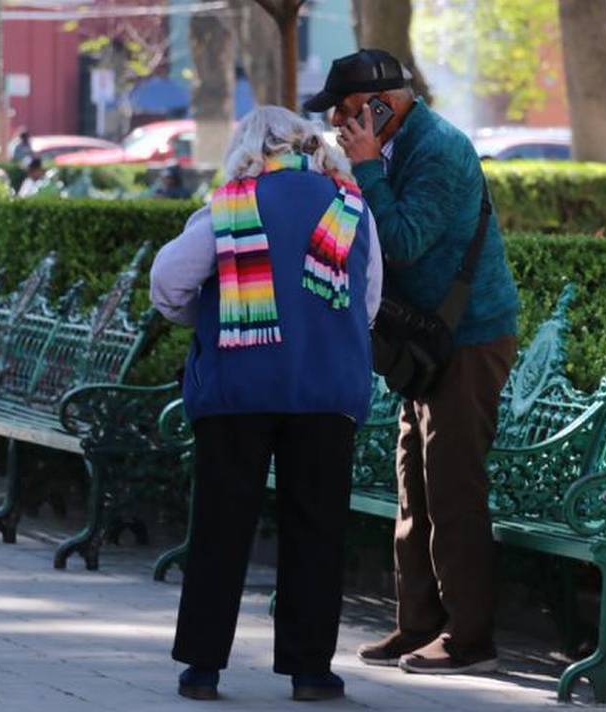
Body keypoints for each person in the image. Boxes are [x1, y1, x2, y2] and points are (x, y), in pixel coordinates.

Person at [150, 106, 383, 702]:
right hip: (326, 391)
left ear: (250, 147)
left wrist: (213, 315)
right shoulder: (351, 206)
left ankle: (202, 667)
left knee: (220, 527)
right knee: (317, 530)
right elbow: (368, 300)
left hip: (238, 388)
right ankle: (310, 672)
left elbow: (168, 283)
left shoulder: (230, 205)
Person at [305, 49, 519, 675]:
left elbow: (402, 241)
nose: (338, 122)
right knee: (414, 484)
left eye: (346, 109)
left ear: (382, 105)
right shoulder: (394, 145)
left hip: (469, 338)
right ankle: (419, 623)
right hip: (425, 341)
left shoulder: (438, 150)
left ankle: (469, 637)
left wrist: (366, 167)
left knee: (452, 486)